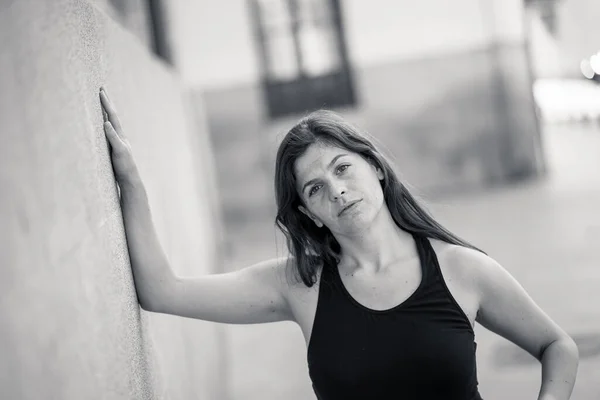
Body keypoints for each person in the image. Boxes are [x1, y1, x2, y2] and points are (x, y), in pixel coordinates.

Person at [99, 87, 578, 400]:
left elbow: (557, 345)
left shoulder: (462, 269)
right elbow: (162, 290)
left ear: (375, 167)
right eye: (314, 189)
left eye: (343, 168)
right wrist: (131, 183)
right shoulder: (298, 284)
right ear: (309, 213)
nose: (336, 190)